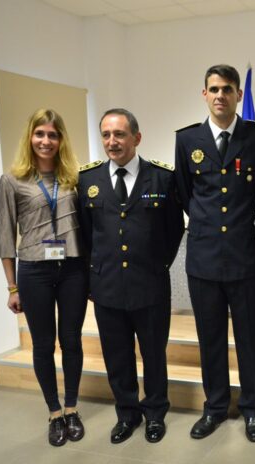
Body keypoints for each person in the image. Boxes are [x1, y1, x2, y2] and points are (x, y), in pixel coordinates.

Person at [174, 64, 255, 442]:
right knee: (210, 338)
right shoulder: (187, 140)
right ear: (204, 94)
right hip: (202, 259)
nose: (220, 95)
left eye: (227, 89)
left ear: (237, 95)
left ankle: (253, 409)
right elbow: (186, 194)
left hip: (245, 255)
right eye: (214, 89)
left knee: (249, 338)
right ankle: (215, 407)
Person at [77, 108, 184, 444]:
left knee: (154, 354)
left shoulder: (162, 178)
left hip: (150, 284)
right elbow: (84, 234)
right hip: (106, 286)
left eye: (120, 134)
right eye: (106, 135)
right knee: (117, 355)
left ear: (136, 138)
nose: (112, 142)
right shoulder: (88, 180)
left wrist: (156, 263)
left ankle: (155, 414)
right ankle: (126, 414)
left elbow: (174, 230)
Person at [0, 108, 88, 446]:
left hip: (73, 269)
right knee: (43, 344)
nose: (46, 141)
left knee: (72, 340)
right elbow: (6, 236)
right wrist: (12, 286)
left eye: (52, 134)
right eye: (40, 134)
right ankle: (53, 412)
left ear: (61, 139)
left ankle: (72, 407)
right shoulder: (12, 181)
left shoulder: (74, 179)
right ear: (30, 138)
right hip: (34, 269)